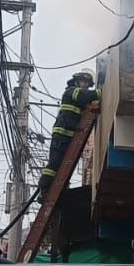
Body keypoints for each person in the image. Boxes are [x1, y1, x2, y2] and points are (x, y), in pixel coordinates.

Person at [37, 70, 100, 198]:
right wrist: (99, 92)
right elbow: (84, 96)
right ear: (77, 81)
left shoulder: (79, 99)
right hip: (62, 134)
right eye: (84, 82)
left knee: (61, 167)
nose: (86, 85)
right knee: (54, 164)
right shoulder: (72, 91)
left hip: (68, 135)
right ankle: (44, 190)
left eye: (88, 84)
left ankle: (56, 190)